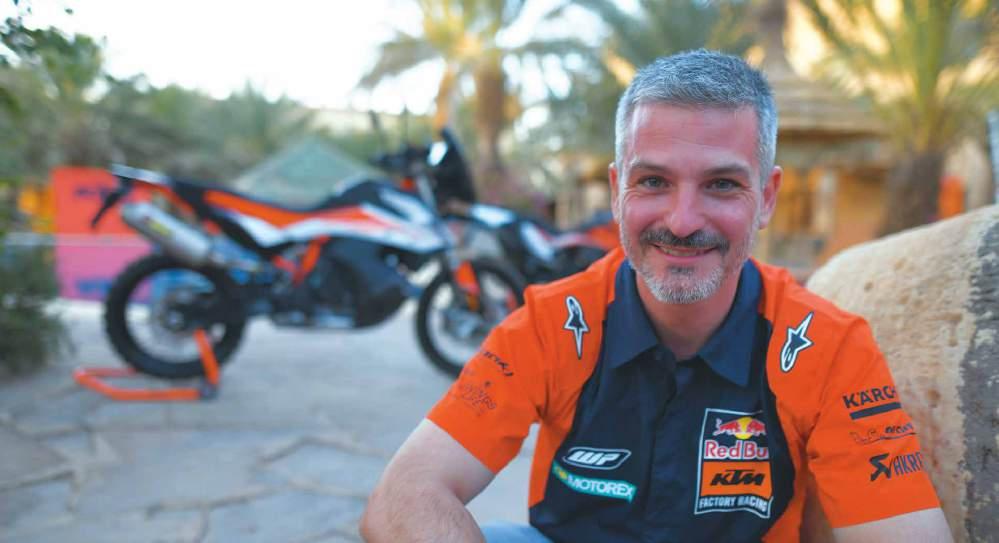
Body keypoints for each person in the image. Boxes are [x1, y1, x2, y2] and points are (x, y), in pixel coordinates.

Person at [359, 50, 952, 542]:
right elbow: (402, 494)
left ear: (767, 197)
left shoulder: (829, 348)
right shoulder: (550, 323)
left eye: (721, 184)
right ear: (617, 189)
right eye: (653, 181)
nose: (683, 220)